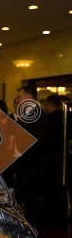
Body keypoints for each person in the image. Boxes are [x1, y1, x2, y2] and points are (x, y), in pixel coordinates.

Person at [13, 86, 50, 230]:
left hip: (35, 168)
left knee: (34, 203)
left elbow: (36, 143)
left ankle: (36, 233)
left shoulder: (39, 115)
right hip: (28, 168)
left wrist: (20, 154)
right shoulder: (29, 114)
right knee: (28, 201)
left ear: (28, 97)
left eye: (20, 97)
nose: (18, 100)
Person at [43, 94, 68, 227]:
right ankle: (62, 218)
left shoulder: (48, 120)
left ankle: (51, 218)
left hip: (51, 161)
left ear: (48, 103)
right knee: (61, 191)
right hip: (63, 160)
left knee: (51, 190)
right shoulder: (65, 118)